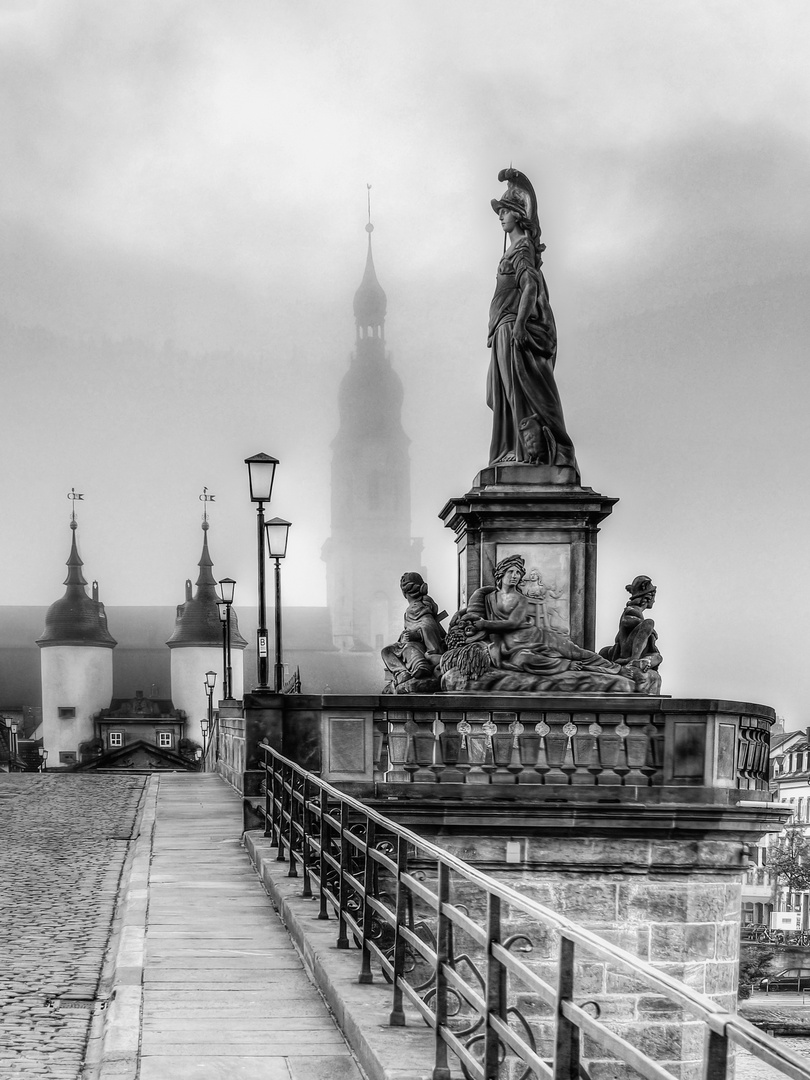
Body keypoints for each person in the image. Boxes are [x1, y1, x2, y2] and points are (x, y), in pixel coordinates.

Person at [487, 168, 578, 474]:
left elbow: (530, 286)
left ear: (517, 215)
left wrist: (521, 324)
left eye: (504, 212)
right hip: (503, 327)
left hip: (512, 326)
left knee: (520, 392)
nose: (500, 217)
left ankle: (525, 451)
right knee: (507, 395)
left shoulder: (522, 248)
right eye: (500, 212)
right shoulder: (515, 248)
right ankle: (514, 448)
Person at [458, 554, 636, 692]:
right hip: (511, 647)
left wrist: (484, 625)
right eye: (510, 572)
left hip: (538, 637)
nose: (514, 576)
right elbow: (472, 616)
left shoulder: (520, 598)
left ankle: (616, 669)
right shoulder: (489, 597)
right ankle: (567, 665)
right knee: (524, 660)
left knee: (578, 652)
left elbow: (514, 623)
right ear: (501, 573)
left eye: (518, 573)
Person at [381, 573, 447, 693]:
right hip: (409, 645)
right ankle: (403, 672)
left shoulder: (419, 608)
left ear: (405, 593)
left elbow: (428, 626)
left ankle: (419, 667)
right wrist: (404, 636)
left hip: (421, 647)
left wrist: (418, 635)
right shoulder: (410, 611)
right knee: (389, 650)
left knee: (409, 649)